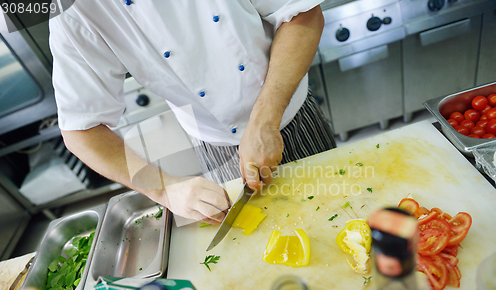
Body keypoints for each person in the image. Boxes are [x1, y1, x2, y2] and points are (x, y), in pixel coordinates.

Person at [50, 0, 336, 225]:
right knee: (261, 239)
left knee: (338, 212)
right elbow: (80, 130)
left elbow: (303, 15)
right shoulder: (72, 12)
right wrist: (164, 190)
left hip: (291, 114)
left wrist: (264, 120)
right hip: (216, 147)